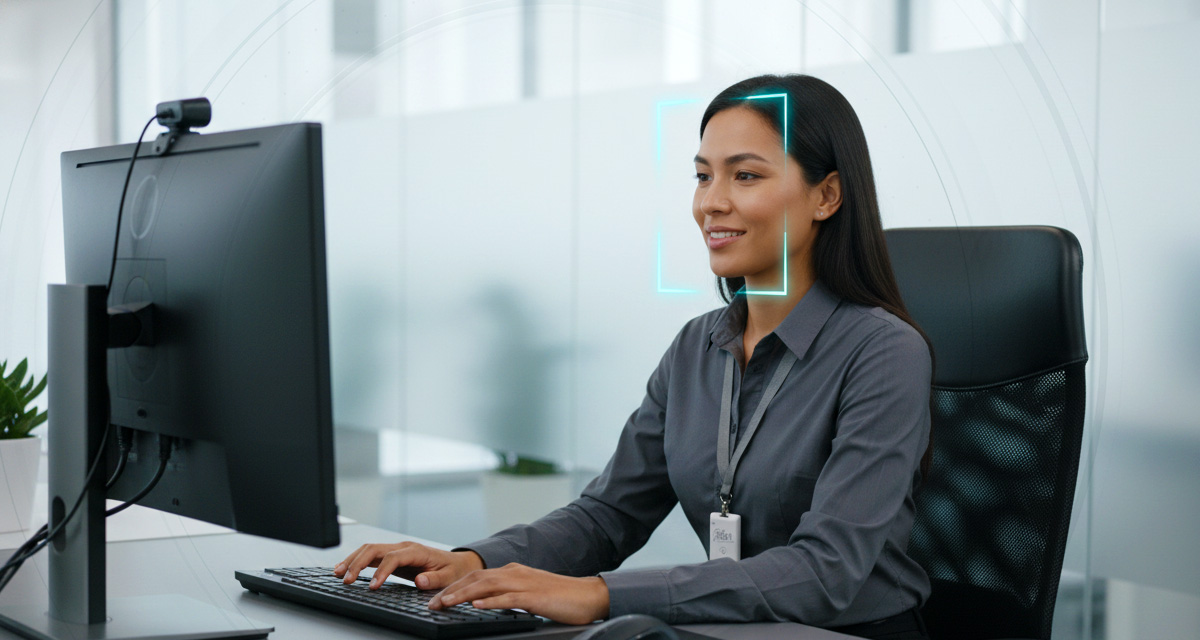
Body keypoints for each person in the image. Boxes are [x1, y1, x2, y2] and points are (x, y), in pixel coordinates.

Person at [334, 74, 934, 640]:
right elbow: (607, 516)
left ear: (826, 195)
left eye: (745, 177)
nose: (711, 204)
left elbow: (827, 571)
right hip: (732, 628)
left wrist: (599, 595)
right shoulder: (697, 347)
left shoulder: (883, 354)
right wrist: (468, 561)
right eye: (703, 177)